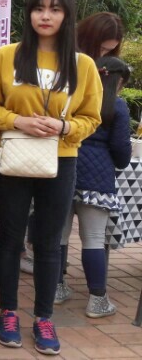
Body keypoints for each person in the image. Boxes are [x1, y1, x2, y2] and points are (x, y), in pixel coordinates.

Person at [0, 0, 102, 356]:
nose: (45, 16)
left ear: (67, 16)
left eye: (55, 9)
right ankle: (8, 313)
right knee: (10, 238)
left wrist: (63, 127)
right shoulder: (7, 56)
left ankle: (44, 317)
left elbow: (92, 117)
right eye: (38, 8)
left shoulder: (82, 65)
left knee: (49, 242)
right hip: (14, 155)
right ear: (29, 13)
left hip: (61, 159)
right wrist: (18, 121)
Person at [21, 11, 125, 275]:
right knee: (84, 235)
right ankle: (91, 292)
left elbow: (90, 119)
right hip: (56, 155)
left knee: (59, 232)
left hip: (64, 156)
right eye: (101, 48)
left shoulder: (95, 78)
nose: (102, 55)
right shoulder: (64, 61)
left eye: (109, 51)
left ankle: (56, 283)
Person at [55, 55, 131, 317]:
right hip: (97, 180)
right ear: (119, 82)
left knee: (59, 236)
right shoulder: (117, 106)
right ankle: (97, 300)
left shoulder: (72, 99)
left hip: (63, 169)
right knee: (94, 240)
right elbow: (121, 150)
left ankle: (56, 288)